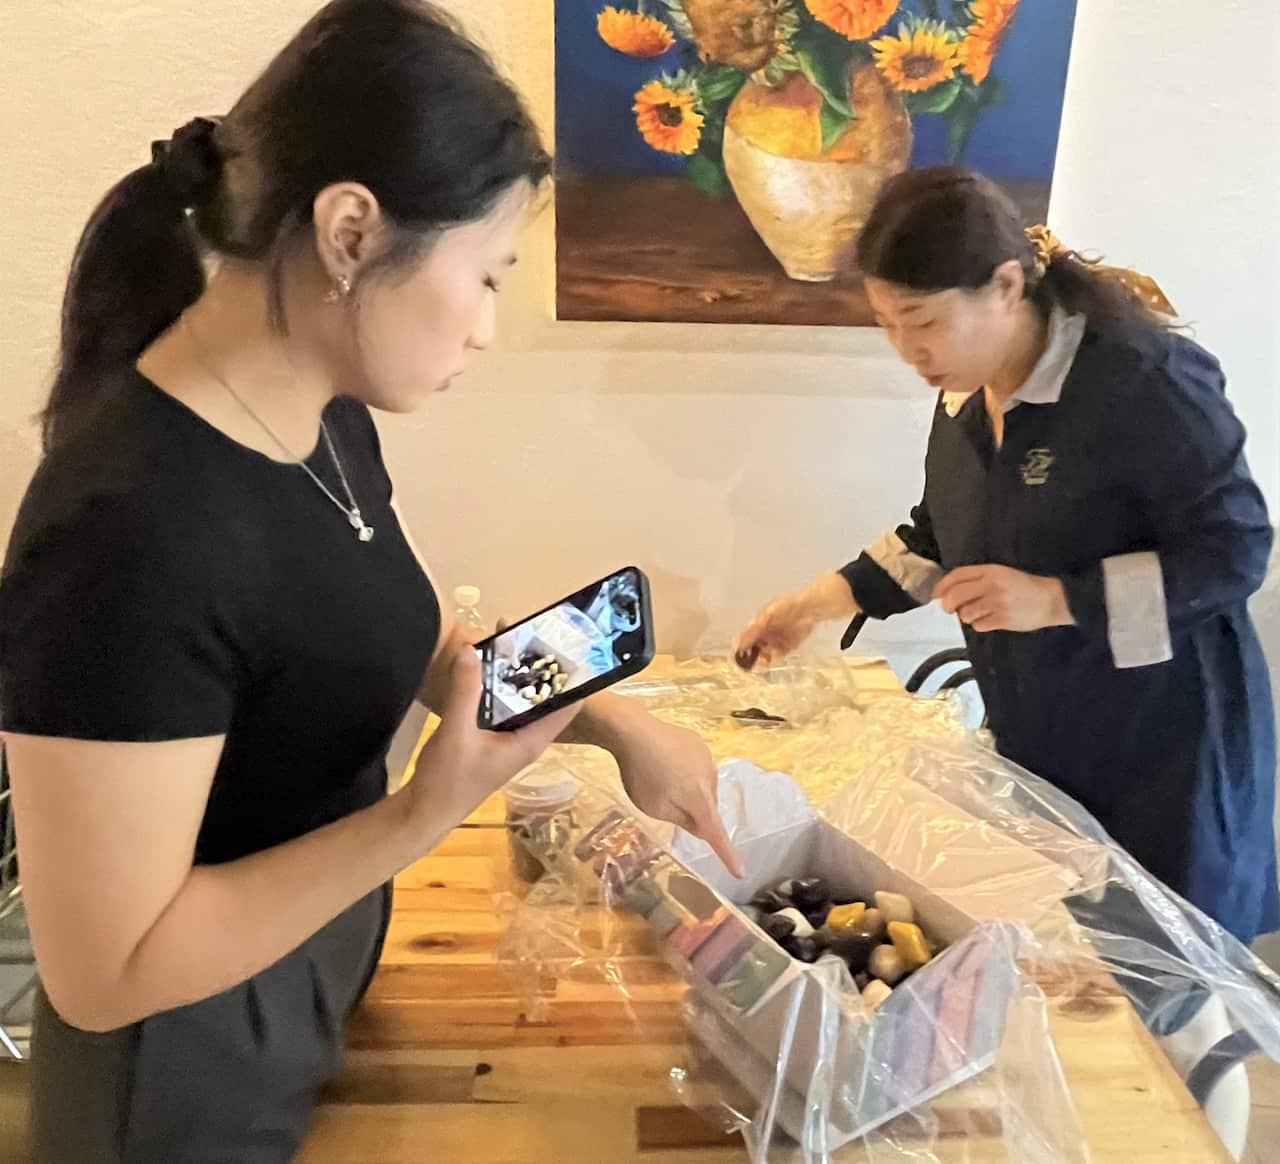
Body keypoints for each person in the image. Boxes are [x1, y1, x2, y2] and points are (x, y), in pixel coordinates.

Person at [0, 2, 739, 1159]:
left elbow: (406, 626)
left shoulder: (321, 411)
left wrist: (605, 715)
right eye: (486, 274)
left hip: (315, 947)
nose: (488, 328)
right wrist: (425, 812)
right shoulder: (125, 535)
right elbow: (106, 976)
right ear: (350, 232)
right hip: (180, 1047)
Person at [735, 165, 1279, 948]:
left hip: (1164, 751)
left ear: (1005, 285)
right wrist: (817, 603)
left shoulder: (1142, 381)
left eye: (922, 322)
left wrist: (1060, 599)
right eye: (888, 324)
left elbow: (1235, 550)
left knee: (1175, 993)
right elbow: (942, 534)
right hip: (1044, 737)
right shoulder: (966, 387)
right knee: (1075, 969)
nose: (908, 352)